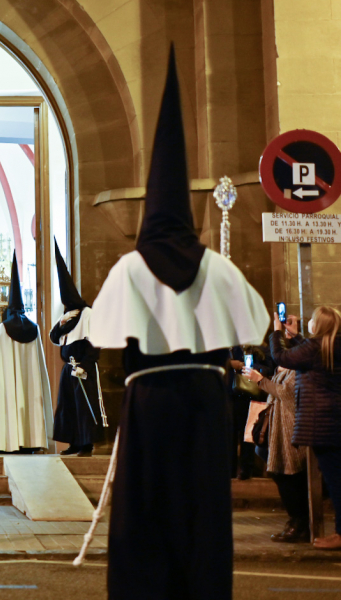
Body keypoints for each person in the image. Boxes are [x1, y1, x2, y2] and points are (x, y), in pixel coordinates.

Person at [89, 48, 269, 599]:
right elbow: (255, 326)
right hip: (203, 400)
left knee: (145, 513)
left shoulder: (128, 268)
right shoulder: (217, 267)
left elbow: (104, 340)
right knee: (202, 511)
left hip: (149, 403)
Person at [269, 305, 341, 550]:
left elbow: (282, 357)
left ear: (318, 325)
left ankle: (340, 535)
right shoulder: (330, 346)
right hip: (335, 421)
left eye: (311, 320)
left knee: (335, 481)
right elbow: (311, 352)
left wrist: (277, 332)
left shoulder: (315, 348)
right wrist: (296, 336)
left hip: (322, 423)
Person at [0, 254, 54, 454]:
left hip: (8, 381)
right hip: (28, 381)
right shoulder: (34, 328)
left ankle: (6, 441)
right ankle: (30, 440)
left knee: (5, 395)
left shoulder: (3, 329)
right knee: (29, 393)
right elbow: (38, 365)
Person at [247, 313, 308, 543]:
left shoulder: (301, 366)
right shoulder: (292, 365)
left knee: (288, 475)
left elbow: (286, 393)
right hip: (279, 428)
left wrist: (259, 380)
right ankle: (297, 521)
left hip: (290, 428)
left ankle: (299, 521)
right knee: (277, 469)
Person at [50, 240, 104, 456]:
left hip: (82, 368)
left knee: (84, 406)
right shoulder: (67, 318)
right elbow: (55, 337)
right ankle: (73, 442)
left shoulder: (88, 314)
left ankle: (87, 444)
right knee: (68, 407)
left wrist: (86, 365)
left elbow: (95, 341)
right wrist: (62, 323)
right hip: (67, 369)